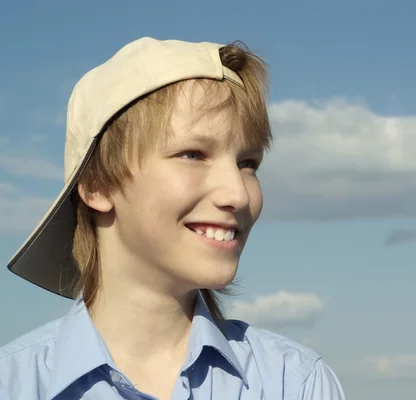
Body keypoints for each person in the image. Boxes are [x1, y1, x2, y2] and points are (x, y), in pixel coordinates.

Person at [0, 37, 346, 400]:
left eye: (248, 163)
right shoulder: (14, 384)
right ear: (98, 185)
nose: (238, 195)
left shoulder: (296, 383)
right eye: (193, 155)